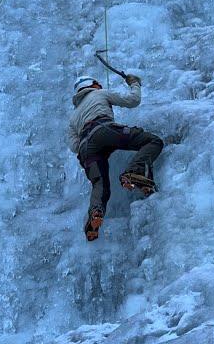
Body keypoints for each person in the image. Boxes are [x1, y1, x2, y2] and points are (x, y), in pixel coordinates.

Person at [68, 74, 164, 241]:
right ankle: (135, 172)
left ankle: (95, 213)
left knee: (100, 184)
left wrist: (95, 146)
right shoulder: (99, 93)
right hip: (103, 129)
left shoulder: (73, 116)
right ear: (94, 85)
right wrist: (134, 83)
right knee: (153, 141)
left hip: (85, 148)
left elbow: (73, 146)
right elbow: (133, 100)